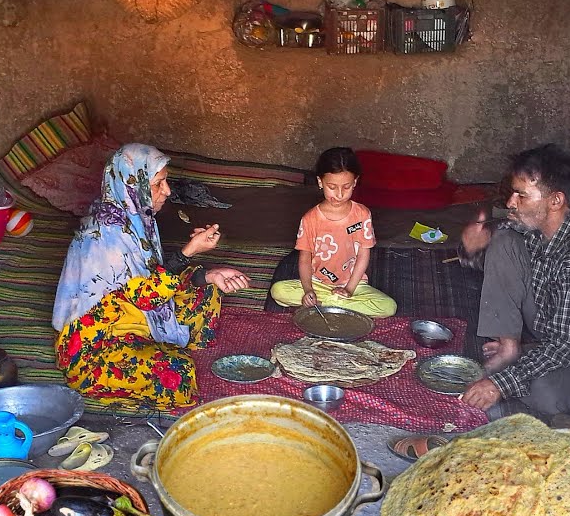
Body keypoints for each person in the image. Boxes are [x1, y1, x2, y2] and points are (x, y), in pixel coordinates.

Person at [51, 144, 250, 409]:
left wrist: (207, 276)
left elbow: (150, 273)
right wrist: (189, 251)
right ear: (133, 185)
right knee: (176, 372)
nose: (167, 191)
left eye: (165, 181)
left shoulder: (135, 218)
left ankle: (168, 339)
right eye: (158, 184)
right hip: (98, 346)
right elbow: (147, 296)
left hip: (138, 313)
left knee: (208, 287)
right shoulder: (103, 238)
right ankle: (160, 356)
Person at [458, 144, 570, 417]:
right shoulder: (540, 225)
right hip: (552, 320)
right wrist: (472, 249)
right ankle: (510, 347)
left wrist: (498, 384)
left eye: (521, 195)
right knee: (503, 239)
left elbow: (568, 346)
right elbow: (502, 254)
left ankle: (530, 358)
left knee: (544, 393)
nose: (511, 202)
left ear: (555, 201)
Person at [270, 147, 397, 318]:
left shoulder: (362, 214)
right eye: (332, 187)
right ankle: (339, 306)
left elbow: (363, 255)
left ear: (355, 182)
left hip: (354, 284)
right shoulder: (310, 219)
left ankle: (326, 305)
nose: (339, 194)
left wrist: (349, 289)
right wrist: (308, 290)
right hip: (317, 283)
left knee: (388, 307)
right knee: (278, 291)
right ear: (320, 182)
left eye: (346, 187)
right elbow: (305, 259)